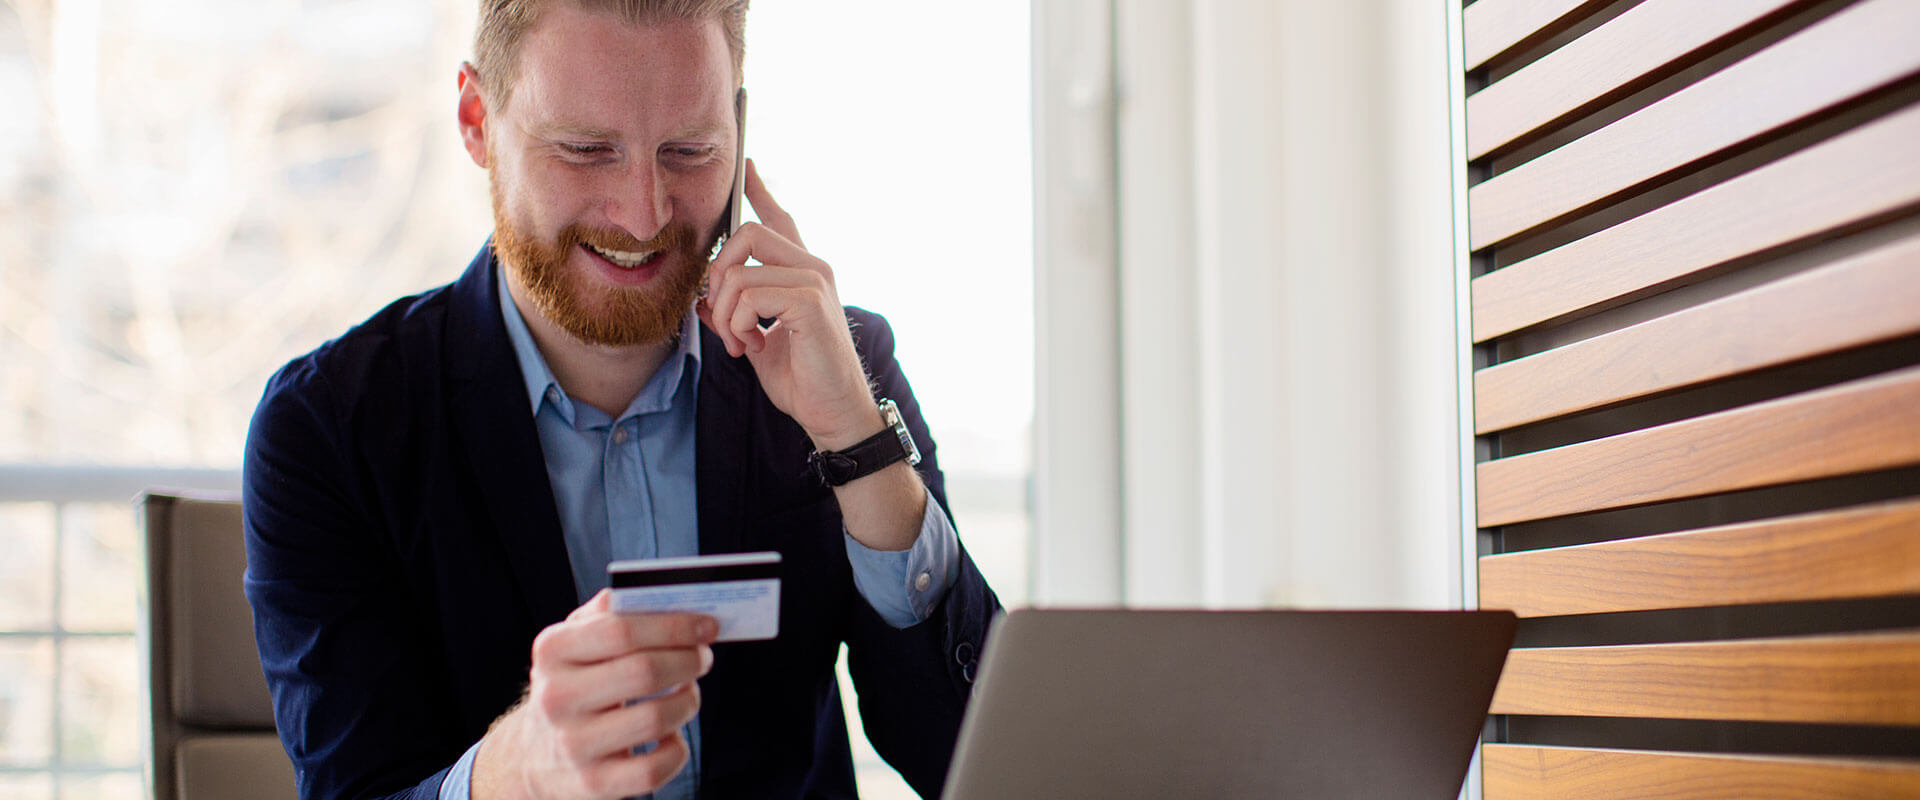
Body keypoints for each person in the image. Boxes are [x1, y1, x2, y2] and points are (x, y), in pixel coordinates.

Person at [241, 1, 1000, 798]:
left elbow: (978, 766)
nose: (644, 215)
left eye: (689, 150)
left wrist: (857, 442)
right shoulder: (331, 428)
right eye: (585, 149)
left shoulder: (845, 369)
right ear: (476, 121)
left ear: (739, 135)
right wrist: (516, 773)